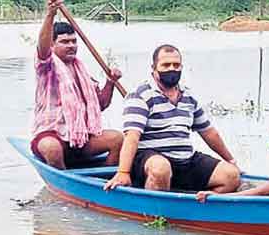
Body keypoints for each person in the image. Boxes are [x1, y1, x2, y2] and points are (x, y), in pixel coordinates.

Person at [103, 44, 240, 193]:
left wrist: (231, 160)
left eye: (176, 65)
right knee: (161, 169)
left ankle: (199, 201)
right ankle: (153, 206)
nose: (172, 69)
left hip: (185, 160)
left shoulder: (188, 96)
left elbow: (209, 132)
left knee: (231, 175)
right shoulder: (141, 95)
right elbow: (132, 137)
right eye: (166, 65)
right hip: (151, 159)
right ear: (154, 68)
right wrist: (123, 172)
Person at [32, 0, 123, 169]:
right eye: (65, 42)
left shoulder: (82, 72)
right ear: (52, 45)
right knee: (51, 148)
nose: (71, 46)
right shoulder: (47, 67)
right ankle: (63, 178)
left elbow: (101, 104)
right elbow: (42, 49)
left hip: (81, 138)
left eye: (74, 41)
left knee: (117, 139)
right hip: (53, 135)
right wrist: (50, 14)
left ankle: (105, 178)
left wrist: (110, 82)